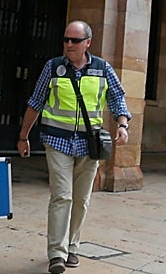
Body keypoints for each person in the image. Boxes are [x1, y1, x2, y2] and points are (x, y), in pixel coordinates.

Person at [17, 21, 131, 274]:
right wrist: (23, 136)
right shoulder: (53, 67)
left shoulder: (102, 69)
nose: (69, 44)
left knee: (81, 200)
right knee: (62, 196)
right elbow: (35, 102)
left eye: (75, 41)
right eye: (66, 39)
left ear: (87, 43)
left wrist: (123, 125)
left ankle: (73, 247)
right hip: (57, 142)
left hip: (89, 146)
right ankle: (56, 253)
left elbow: (117, 98)